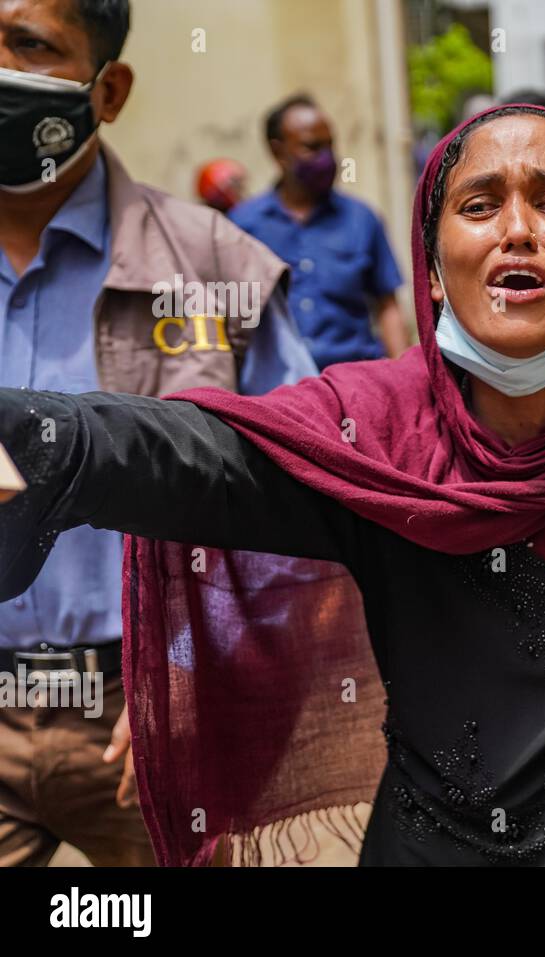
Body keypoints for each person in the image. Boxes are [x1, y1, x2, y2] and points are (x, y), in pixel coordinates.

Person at [0, 103, 545, 866]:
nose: (517, 229)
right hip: (421, 846)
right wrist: (38, 435)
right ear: (435, 271)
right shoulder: (371, 429)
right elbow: (201, 450)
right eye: (479, 206)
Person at [0, 0, 316, 867]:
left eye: (28, 45)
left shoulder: (213, 269)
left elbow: (302, 497)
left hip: (153, 719)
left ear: (110, 90)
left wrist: (196, 668)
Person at [230, 94, 410, 368]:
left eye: (330, 145)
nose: (326, 158)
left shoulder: (362, 220)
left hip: (353, 382)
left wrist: (404, 376)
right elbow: (228, 316)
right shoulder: (244, 225)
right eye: (312, 147)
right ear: (278, 152)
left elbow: (388, 306)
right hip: (275, 390)